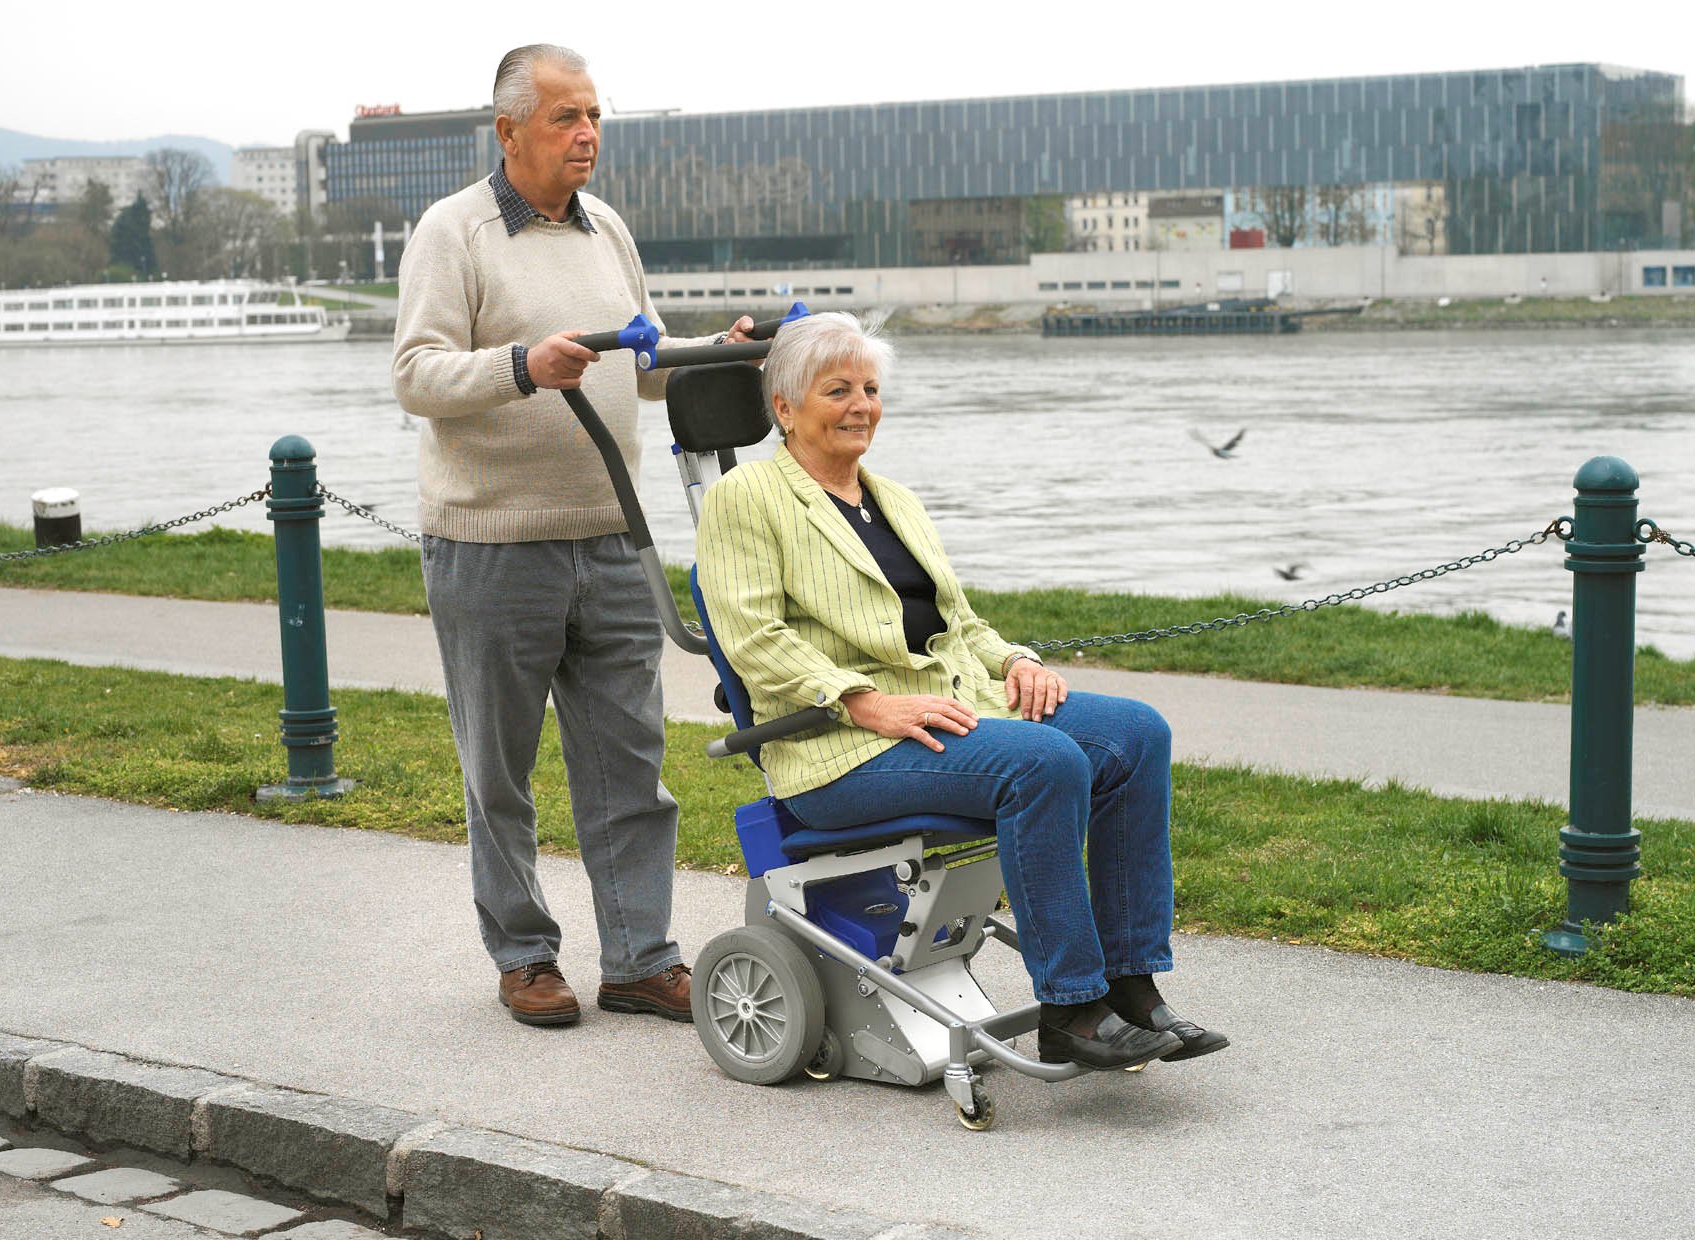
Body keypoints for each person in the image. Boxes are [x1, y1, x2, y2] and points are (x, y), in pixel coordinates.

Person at [696, 313, 1228, 1071]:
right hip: (838, 745)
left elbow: (958, 620)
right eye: (838, 389)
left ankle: (1129, 985)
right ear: (784, 407)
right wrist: (865, 702)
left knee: (1137, 734)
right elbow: (755, 641)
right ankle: (1072, 1007)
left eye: (871, 389)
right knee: (1042, 762)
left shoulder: (894, 499)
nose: (861, 405)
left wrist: (1016, 661)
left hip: (946, 703)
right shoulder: (744, 499)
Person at [392, 43, 752, 1028]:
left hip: (610, 541)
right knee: (498, 772)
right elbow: (416, 375)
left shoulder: (607, 232)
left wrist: (708, 355)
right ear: (507, 131)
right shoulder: (451, 232)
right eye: (564, 117)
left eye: (594, 115)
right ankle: (523, 955)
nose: (586, 133)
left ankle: (639, 957)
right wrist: (518, 365)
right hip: (492, 545)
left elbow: (639, 366)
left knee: (629, 765)